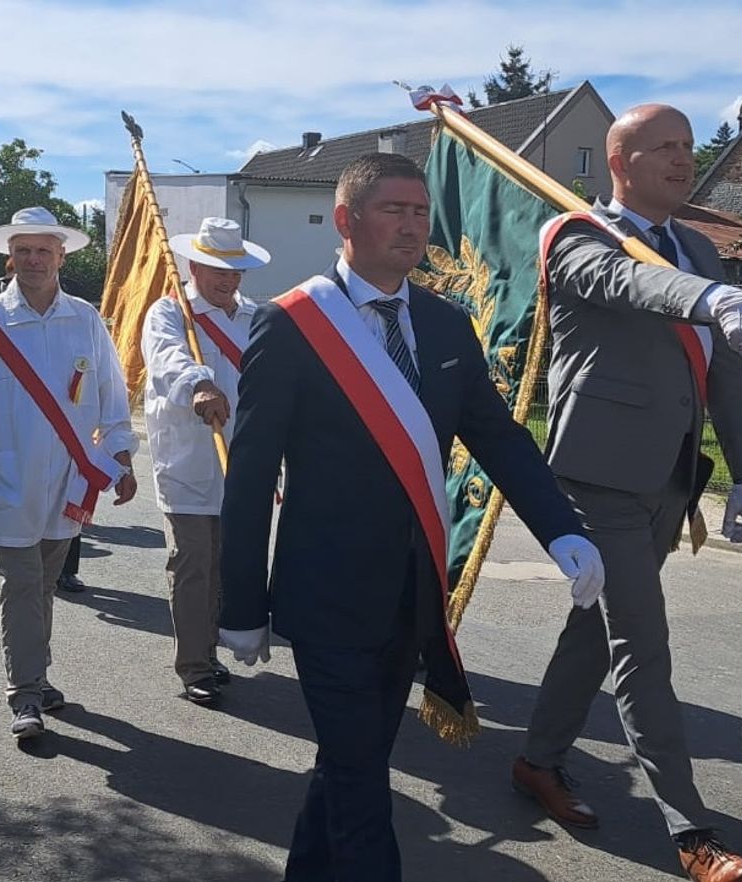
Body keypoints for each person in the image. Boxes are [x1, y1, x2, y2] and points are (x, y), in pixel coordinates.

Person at [218, 153, 604, 881]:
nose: (412, 225)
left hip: (413, 591)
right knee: (361, 777)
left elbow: (498, 438)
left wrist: (562, 528)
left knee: (353, 760)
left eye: (420, 212)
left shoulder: (446, 323)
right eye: (393, 210)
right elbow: (251, 474)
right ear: (346, 219)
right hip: (327, 597)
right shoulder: (291, 324)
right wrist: (240, 605)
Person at [513, 104, 742, 882]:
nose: (682, 158)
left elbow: (724, 368)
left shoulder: (696, 246)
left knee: (595, 632)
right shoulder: (577, 236)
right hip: (596, 477)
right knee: (642, 643)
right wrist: (711, 298)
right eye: (663, 146)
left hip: (668, 479)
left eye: (688, 146)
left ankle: (537, 759)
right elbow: (630, 283)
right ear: (619, 161)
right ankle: (690, 830)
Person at [0, 206, 137, 740]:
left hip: (68, 479)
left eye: (43, 250)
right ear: (10, 258)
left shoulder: (85, 319)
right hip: (7, 477)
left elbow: (111, 392)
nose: (33, 260)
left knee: (45, 584)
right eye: (23, 251)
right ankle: (25, 693)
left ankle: (36, 674)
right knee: (23, 583)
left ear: (61, 256)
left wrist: (121, 455)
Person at [142, 217, 269, 705]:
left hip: (243, 461)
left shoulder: (256, 317)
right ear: (194, 266)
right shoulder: (170, 312)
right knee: (194, 563)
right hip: (189, 461)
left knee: (227, 564)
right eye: (218, 269)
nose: (228, 279)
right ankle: (194, 663)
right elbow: (167, 358)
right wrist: (198, 382)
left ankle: (212, 648)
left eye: (235, 271)